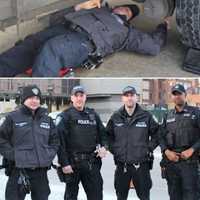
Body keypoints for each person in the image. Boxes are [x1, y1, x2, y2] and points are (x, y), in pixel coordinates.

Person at [0, 0, 171, 77]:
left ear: (130, 18)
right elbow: (53, 19)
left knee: (53, 49)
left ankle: (38, 101)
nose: (125, 10)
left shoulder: (127, 32)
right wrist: (78, 7)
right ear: (116, 7)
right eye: (124, 7)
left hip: (85, 43)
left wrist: (163, 26)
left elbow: (153, 46)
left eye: (129, 12)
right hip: (63, 28)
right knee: (30, 44)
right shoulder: (96, 8)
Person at [0, 85, 60, 200]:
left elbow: (55, 140)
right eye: (31, 98)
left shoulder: (46, 119)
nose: (35, 101)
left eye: (37, 98)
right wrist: (14, 155)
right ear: (24, 99)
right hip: (19, 170)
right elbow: (1, 139)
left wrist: (47, 154)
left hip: (40, 172)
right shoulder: (13, 117)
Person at [106, 86, 159, 200]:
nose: (129, 98)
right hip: (122, 165)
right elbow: (107, 136)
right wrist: (115, 150)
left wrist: (148, 148)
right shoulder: (116, 116)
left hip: (141, 165)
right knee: (121, 196)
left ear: (136, 98)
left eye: (132, 95)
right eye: (126, 95)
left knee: (144, 197)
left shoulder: (146, 116)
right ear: (122, 98)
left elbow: (157, 134)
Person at [56, 85, 108, 200]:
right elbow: (59, 142)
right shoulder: (65, 116)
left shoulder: (93, 115)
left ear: (85, 97)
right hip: (72, 164)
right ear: (72, 98)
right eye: (76, 96)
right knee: (71, 196)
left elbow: (104, 134)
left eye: (81, 95)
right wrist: (64, 163)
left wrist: (104, 147)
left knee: (96, 196)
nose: (79, 98)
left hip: (91, 163)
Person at [159, 84, 200, 200]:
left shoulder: (196, 113)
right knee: (174, 196)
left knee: (192, 196)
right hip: (172, 164)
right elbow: (160, 137)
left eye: (179, 94)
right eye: (174, 94)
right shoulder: (167, 115)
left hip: (190, 163)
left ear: (185, 95)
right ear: (172, 97)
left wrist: (192, 149)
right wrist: (166, 152)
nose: (177, 96)